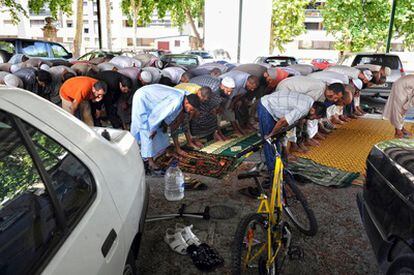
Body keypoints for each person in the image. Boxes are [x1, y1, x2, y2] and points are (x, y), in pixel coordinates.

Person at [130, 84, 201, 171]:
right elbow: (157, 114)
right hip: (143, 98)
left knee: (161, 129)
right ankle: (150, 162)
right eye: (191, 109)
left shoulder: (186, 97)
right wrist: (153, 129)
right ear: (186, 102)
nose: (191, 111)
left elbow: (167, 115)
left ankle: (163, 151)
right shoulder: (175, 102)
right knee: (146, 129)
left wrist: (164, 124)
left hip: (152, 99)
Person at [258, 90, 326, 171]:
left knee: (276, 139)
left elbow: (287, 124)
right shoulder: (304, 109)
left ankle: (278, 168)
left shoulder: (311, 102)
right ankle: (273, 172)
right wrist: (271, 134)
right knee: (269, 141)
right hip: (267, 105)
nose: (312, 119)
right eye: (314, 117)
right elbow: (283, 121)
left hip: (274, 106)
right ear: (312, 111)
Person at [220, 70, 260, 134]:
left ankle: (244, 125)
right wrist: (232, 104)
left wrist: (238, 100)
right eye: (252, 87)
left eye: (254, 88)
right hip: (224, 89)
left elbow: (241, 94)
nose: (252, 90)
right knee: (228, 109)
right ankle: (236, 128)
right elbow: (230, 96)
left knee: (241, 105)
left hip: (233, 92)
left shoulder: (249, 80)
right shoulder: (238, 82)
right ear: (248, 83)